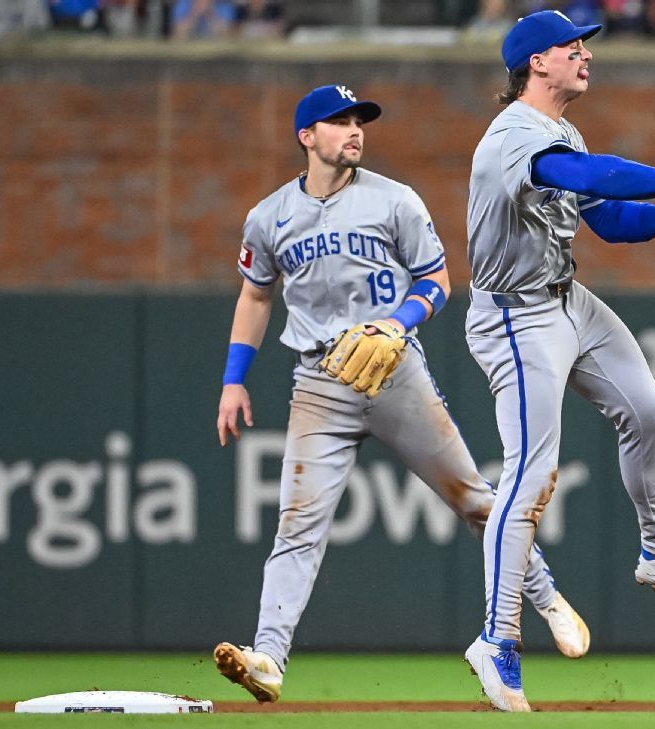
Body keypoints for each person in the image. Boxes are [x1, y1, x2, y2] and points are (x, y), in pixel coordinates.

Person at [212, 83, 590, 704]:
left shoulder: (394, 201)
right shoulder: (270, 215)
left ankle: (546, 600)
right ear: (306, 136)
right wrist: (233, 379)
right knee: (297, 525)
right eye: (338, 122)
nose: (354, 130)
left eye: (359, 120)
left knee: (473, 498)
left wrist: (398, 322)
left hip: (394, 372)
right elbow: (256, 295)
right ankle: (269, 658)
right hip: (318, 380)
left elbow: (437, 279)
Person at [462, 10, 655, 712]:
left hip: (566, 297)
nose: (585, 53)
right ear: (535, 62)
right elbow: (588, 174)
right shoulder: (515, 136)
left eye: (586, 43)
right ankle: (496, 640)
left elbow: (610, 219)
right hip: (515, 314)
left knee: (649, 411)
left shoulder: (563, 130)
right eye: (570, 45)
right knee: (530, 473)